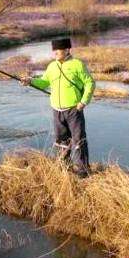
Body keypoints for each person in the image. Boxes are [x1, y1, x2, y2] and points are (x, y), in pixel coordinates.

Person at [20, 38, 95, 177]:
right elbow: (43, 82)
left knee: (78, 140)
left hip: (74, 109)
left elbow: (90, 83)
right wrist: (30, 81)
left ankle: (83, 171)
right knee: (61, 141)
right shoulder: (52, 67)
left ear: (67, 50)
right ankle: (64, 168)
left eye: (58, 50)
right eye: (54, 50)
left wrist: (83, 102)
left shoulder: (77, 64)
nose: (55, 52)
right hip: (57, 110)